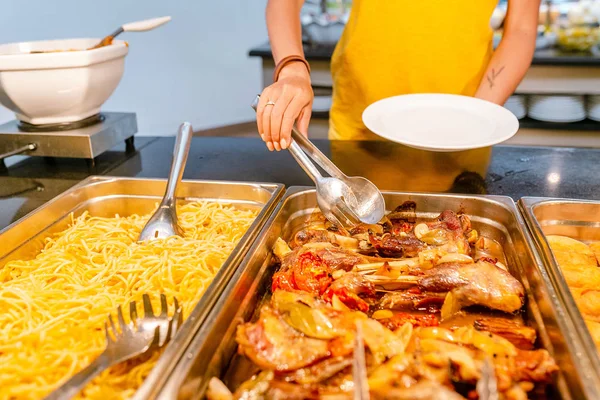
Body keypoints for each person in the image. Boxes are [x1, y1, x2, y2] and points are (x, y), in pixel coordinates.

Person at [255, 0, 540, 151]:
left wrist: (477, 115)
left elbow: (522, 29)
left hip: (463, 126)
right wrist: (292, 68)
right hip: (361, 125)